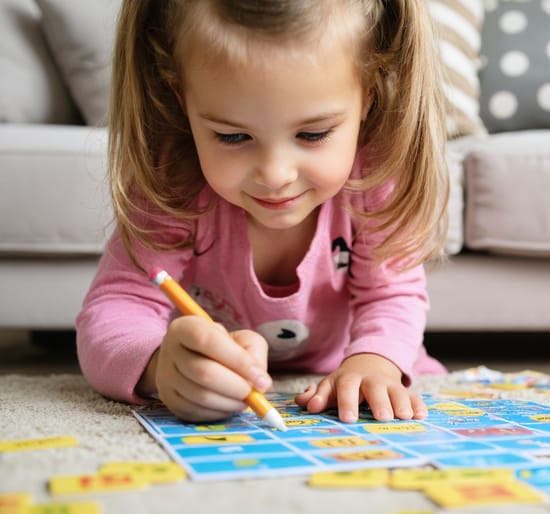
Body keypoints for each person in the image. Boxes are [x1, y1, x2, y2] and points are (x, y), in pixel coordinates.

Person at [76, 0, 449, 425]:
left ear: (369, 95)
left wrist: (375, 363)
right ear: (182, 99)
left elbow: (392, 298)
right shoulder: (173, 179)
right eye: (233, 136)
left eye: (312, 134)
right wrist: (160, 368)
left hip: (352, 374)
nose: (275, 175)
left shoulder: (375, 174)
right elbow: (115, 310)